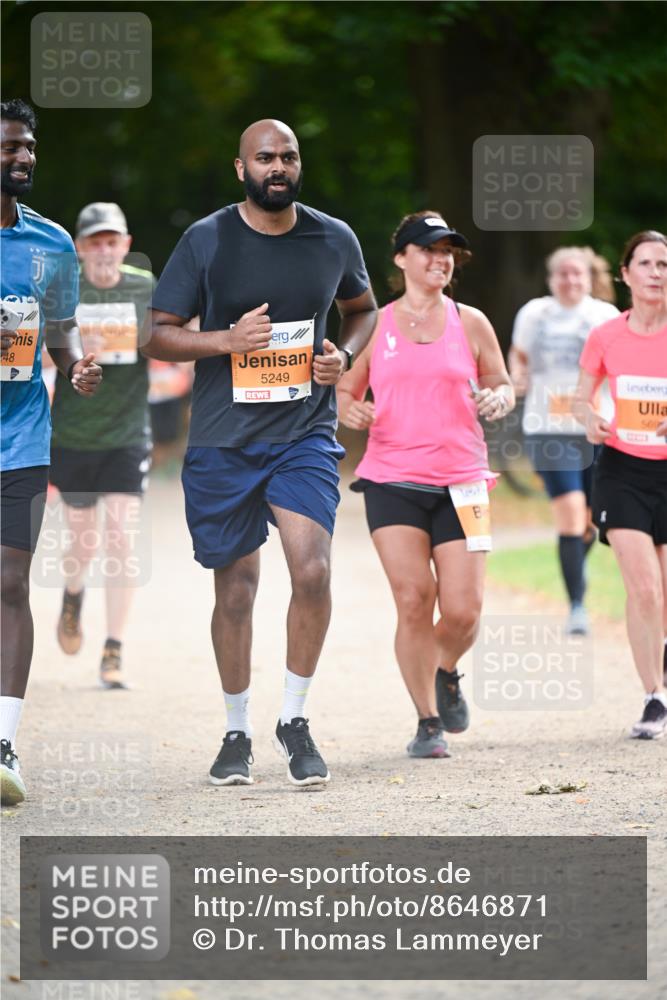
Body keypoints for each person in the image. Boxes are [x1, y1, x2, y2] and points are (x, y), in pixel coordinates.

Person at [144, 119, 377, 787]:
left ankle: (294, 719)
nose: (278, 167)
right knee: (237, 589)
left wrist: (343, 356)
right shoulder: (207, 238)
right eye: (266, 157)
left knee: (313, 571)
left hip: (302, 434)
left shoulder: (333, 238)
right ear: (240, 167)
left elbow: (364, 310)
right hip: (224, 440)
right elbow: (155, 335)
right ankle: (236, 729)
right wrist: (225, 340)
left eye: (289, 157)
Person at [337, 211, 514, 758]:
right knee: (414, 598)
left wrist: (498, 397)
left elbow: (501, 383)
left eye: (447, 252)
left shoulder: (471, 321)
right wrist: (350, 410)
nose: (441, 260)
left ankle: (445, 668)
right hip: (392, 479)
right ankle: (427, 721)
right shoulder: (376, 324)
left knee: (463, 611)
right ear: (401, 258)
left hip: (464, 480)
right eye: (429, 250)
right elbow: (343, 392)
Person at [0, 100, 102, 805]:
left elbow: (61, 331)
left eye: (29, 146)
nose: (24, 157)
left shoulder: (53, 243)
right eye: (11, 147)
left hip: (21, 439)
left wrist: (76, 366)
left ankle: (3, 743)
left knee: (9, 584)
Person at [49, 203, 155, 689]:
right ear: (80, 248)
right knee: (83, 540)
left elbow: (166, 341)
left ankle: (114, 649)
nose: (104, 250)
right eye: (95, 242)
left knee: (120, 535)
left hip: (127, 433)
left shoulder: (143, 287)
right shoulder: (63, 288)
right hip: (73, 433)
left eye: (112, 241)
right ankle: (73, 593)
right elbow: (41, 348)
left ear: (126, 245)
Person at [574, 230, 667, 740]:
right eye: (646, 264)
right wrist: (590, 417)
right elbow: (581, 398)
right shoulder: (607, 335)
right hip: (622, 470)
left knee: (664, 592)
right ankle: (654, 696)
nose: (657, 272)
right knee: (645, 588)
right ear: (626, 275)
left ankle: (661, 649)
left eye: (664, 264)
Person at [509, 246, 619, 634]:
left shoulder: (605, 316)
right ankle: (577, 607)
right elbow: (518, 355)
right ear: (551, 279)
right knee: (571, 514)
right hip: (548, 428)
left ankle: (575, 567)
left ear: (590, 279)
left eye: (577, 274)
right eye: (563, 274)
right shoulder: (534, 313)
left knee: (592, 521)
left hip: (596, 427)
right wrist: (517, 377)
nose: (570, 281)